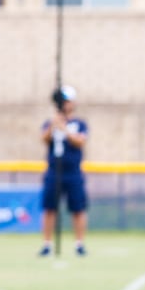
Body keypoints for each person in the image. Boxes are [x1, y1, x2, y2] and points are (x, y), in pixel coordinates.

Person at [38, 85, 89, 257]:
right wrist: (54, 125)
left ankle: (79, 244)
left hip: (73, 172)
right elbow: (44, 139)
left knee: (78, 208)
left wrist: (64, 128)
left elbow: (80, 142)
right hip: (54, 171)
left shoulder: (79, 123)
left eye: (67, 101)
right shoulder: (50, 122)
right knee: (49, 208)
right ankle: (47, 244)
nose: (65, 105)